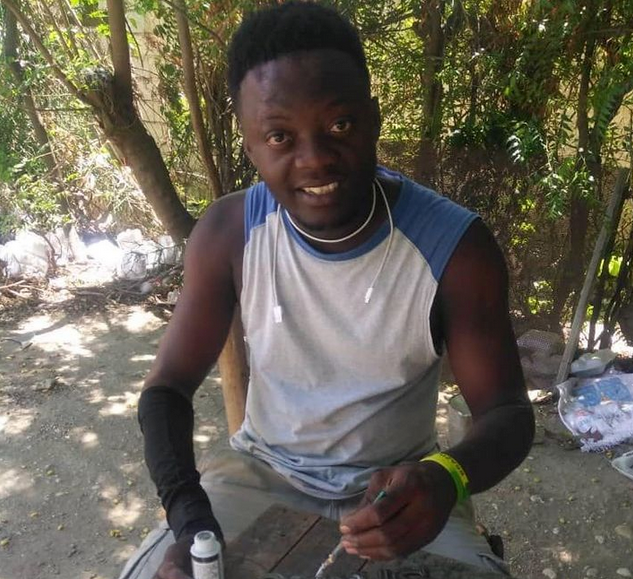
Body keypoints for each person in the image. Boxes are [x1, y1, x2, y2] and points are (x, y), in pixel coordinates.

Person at [118, 3, 534, 578]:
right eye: (280, 136)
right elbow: (165, 389)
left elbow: (507, 413)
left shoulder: (456, 249)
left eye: (340, 125)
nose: (314, 159)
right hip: (261, 474)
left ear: (375, 118)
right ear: (250, 144)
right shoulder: (228, 234)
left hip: (399, 492)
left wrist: (446, 477)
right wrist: (191, 521)